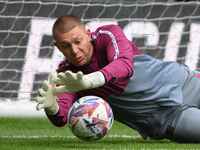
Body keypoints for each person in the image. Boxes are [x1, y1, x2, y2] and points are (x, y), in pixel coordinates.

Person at [36, 14, 200, 143]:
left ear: (87, 34)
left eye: (78, 41)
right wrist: (52, 108)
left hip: (184, 83)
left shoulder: (107, 34)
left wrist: (90, 81)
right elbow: (62, 116)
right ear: (57, 47)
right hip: (166, 120)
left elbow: (123, 65)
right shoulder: (67, 75)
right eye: (66, 46)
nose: (75, 50)